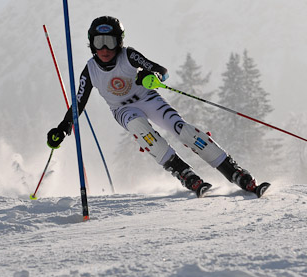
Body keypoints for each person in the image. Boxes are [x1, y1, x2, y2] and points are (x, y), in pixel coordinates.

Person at [46, 16, 269, 198]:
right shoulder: (90, 70)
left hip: (148, 99)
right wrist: (63, 128)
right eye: (98, 42)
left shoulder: (129, 55)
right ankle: (184, 174)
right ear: (91, 43)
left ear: (119, 42)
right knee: (141, 130)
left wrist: (149, 75)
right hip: (124, 110)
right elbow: (78, 103)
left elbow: (162, 71)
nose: (104, 48)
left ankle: (234, 171)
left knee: (184, 130)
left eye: (110, 42)